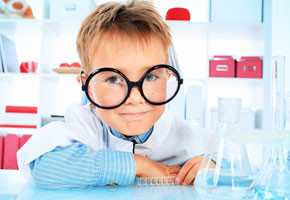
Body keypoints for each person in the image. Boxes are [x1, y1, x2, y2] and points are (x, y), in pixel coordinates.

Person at [17, 0, 213, 189]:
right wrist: (138, 165)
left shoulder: (185, 134)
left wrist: (212, 166)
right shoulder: (84, 124)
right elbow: (43, 165)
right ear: (87, 86)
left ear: (168, 77)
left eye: (151, 76)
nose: (135, 98)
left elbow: (233, 162)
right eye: (113, 79)